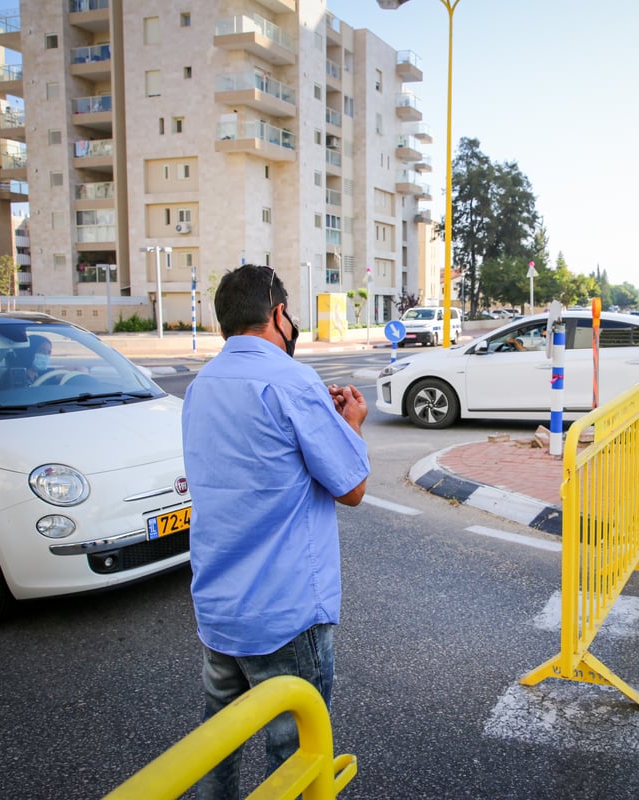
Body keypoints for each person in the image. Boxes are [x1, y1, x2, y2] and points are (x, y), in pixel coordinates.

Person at [181, 264, 370, 800]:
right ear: (279, 314)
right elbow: (351, 487)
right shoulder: (290, 381)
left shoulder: (201, 387)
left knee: (215, 745)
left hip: (219, 607)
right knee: (295, 757)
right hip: (284, 615)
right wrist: (350, 425)